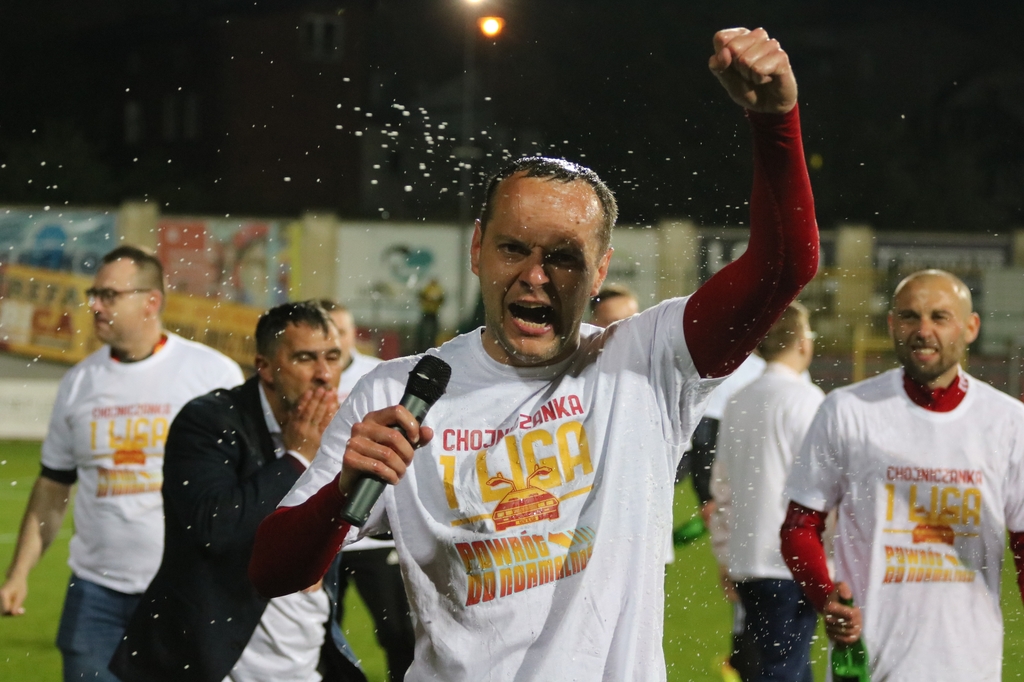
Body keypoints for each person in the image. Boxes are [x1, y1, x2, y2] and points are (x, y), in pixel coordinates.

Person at [251, 27, 819, 682]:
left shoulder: (644, 361)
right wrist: (342, 491)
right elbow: (272, 571)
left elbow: (783, 268)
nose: (535, 277)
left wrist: (775, 121)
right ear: (477, 249)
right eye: (513, 248)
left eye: (564, 258)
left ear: (600, 270)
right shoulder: (397, 393)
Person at [0, 245, 244, 682]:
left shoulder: (212, 375)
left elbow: (246, 482)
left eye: (109, 295)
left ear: (151, 301)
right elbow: (53, 486)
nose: (95, 305)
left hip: (184, 589)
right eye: (94, 294)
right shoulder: (78, 383)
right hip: (95, 593)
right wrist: (18, 574)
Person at [781, 269, 1024, 681]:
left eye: (939, 317)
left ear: (970, 328)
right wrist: (827, 597)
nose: (923, 330)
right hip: (869, 662)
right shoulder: (847, 411)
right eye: (910, 317)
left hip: (969, 665)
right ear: (892, 324)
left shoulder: (1008, 423)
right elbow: (799, 525)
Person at [110, 301, 365, 682]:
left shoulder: (338, 428)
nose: (325, 375)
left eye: (332, 357)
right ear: (265, 367)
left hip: (302, 662)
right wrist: (297, 457)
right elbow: (213, 527)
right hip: (207, 661)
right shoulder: (208, 420)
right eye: (305, 358)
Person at [710, 302, 823, 682]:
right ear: (803, 342)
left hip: (747, 558)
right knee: (785, 669)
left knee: (780, 665)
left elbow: (722, 489)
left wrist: (725, 555)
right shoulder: (807, 400)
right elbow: (824, 488)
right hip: (790, 560)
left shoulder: (738, 401)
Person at [321, 300, 416, 682]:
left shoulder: (379, 378)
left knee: (398, 632)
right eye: (326, 334)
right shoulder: (305, 377)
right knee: (322, 634)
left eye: (341, 332)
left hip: (375, 534)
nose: (335, 342)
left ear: (352, 335)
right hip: (325, 527)